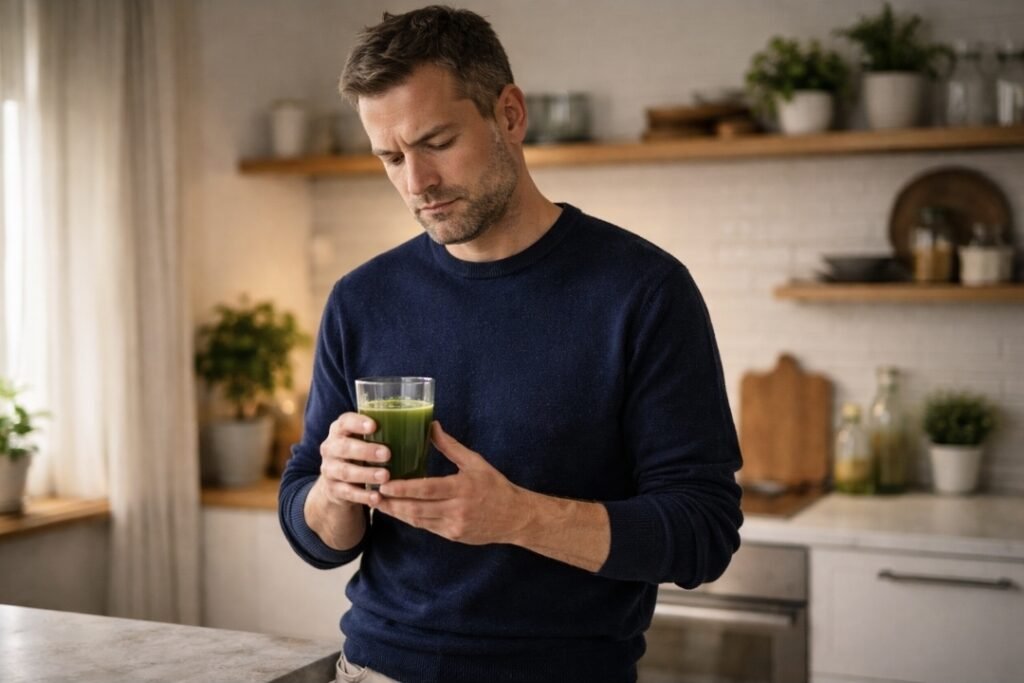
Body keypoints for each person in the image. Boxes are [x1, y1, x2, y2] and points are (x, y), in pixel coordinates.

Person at [279, 6, 743, 683]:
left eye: (436, 141)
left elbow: (703, 532)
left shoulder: (643, 292)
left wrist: (518, 516)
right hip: (375, 670)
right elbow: (314, 527)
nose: (416, 183)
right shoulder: (361, 299)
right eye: (390, 156)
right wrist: (334, 491)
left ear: (510, 115)